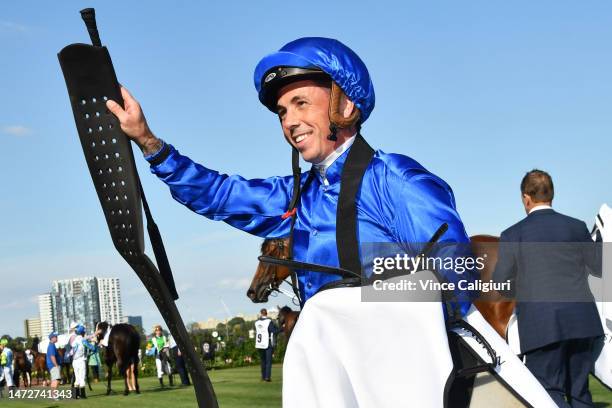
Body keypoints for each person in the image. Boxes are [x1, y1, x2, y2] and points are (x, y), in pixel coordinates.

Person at [493, 169, 603, 407]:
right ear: (552, 194)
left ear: (526, 198)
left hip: (542, 326)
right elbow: (599, 268)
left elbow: (501, 284)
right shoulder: (577, 227)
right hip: (583, 323)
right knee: (580, 394)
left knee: (546, 394)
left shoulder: (513, 235)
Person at [71, 325, 97, 399]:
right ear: (82, 333)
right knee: (82, 378)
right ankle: (82, 395)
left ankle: (75, 395)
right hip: (81, 361)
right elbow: (92, 348)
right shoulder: (83, 340)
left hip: (74, 361)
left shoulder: (74, 341)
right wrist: (95, 344)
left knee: (77, 378)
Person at [254, 309, 278, 382]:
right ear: (266, 313)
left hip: (259, 344)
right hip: (267, 343)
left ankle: (263, 377)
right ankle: (267, 377)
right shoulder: (269, 321)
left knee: (263, 361)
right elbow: (273, 331)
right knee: (268, 362)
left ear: (261, 313)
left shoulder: (257, 322)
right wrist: (282, 328)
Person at [46, 332, 62, 400]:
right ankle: (54, 395)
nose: (57, 338)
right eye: (56, 337)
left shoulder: (51, 345)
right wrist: (56, 365)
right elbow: (52, 356)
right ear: (52, 338)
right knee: (56, 380)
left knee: (54, 380)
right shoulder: (51, 346)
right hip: (53, 365)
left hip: (52, 365)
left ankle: (53, 395)